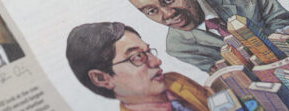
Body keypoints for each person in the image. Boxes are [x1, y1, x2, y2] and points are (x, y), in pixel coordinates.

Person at [121, 0, 289, 73]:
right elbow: (231, 76)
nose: (167, 15)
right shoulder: (179, 47)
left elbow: (283, 22)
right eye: (152, 11)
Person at [66, 22, 212, 111]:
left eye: (148, 52)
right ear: (102, 78)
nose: (156, 61)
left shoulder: (174, 81)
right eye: (137, 57)